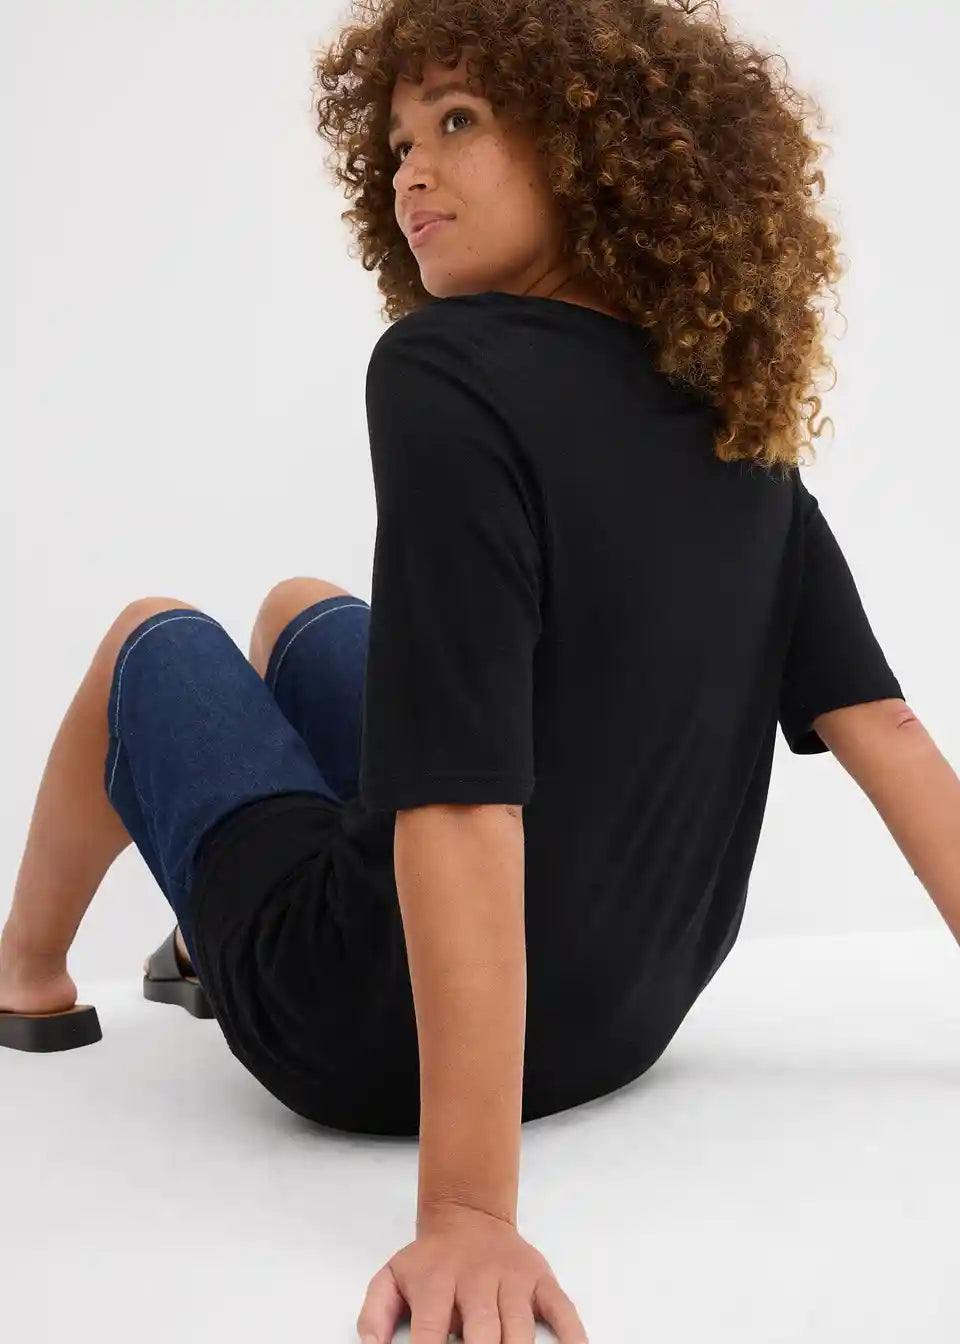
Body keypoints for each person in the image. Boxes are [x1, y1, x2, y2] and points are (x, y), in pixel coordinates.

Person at [3, 1, 958, 1341]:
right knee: (302, 612)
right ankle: (202, 936)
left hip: (364, 1033)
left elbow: (462, 792)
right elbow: (890, 730)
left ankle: (28, 981)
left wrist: (469, 1210)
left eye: (458, 121)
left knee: (152, 642)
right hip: (628, 1019)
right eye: (398, 142)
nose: (410, 171)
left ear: (597, 152)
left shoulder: (445, 368)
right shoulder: (733, 424)